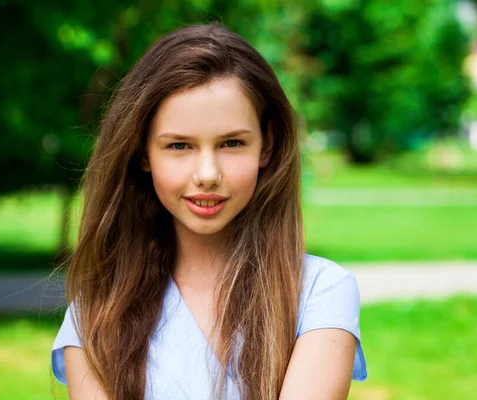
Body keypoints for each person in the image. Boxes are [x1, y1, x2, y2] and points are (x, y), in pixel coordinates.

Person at [51, 22, 367, 400]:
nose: (207, 175)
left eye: (231, 143)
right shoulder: (97, 314)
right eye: (180, 146)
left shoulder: (321, 293)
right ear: (142, 152)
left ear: (266, 146)